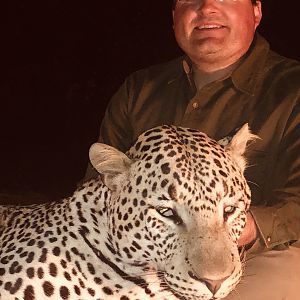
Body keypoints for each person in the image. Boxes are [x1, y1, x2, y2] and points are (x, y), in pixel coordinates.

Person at [85, 0, 300, 298]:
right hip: (147, 253)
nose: (206, 7)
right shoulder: (139, 89)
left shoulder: (292, 90)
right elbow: (96, 190)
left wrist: (236, 227)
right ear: (174, 18)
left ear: (256, 11)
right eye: (190, 0)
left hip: (263, 252)